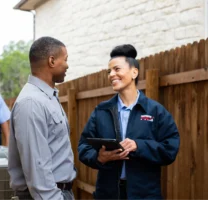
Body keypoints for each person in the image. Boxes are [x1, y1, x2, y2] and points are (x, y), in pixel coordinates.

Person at [77, 44, 180, 200]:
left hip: (145, 195)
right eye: (109, 71)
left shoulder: (155, 111)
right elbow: (83, 147)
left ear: (134, 72)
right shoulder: (101, 111)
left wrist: (139, 146)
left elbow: (170, 148)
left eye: (116, 69)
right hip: (108, 194)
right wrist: (99, 157)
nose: (111, 75)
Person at [8, 36, 77, 200]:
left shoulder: (47, 97)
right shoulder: (31, 103)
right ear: (52, 61)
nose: (67, 65)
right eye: (65, 60)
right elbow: (37, 168)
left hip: (59, 192)